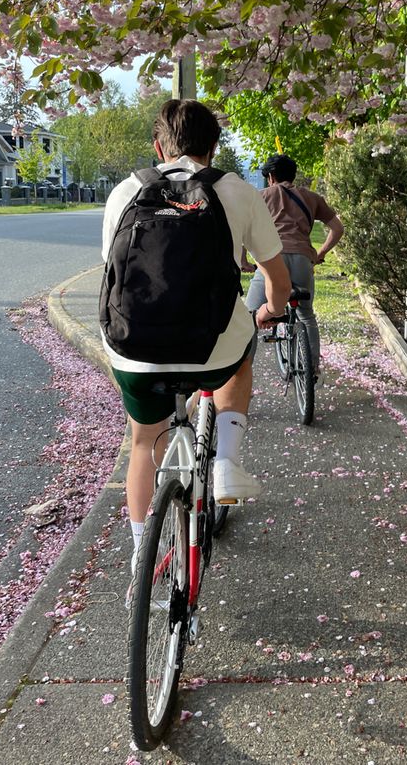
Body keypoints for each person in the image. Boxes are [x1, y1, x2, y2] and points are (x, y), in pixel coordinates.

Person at [101, 99, 291, 569]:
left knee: (145, 441)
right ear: (214, 146)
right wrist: (272, 309)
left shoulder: (125, 191)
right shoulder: (238, 191)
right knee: (241, 348)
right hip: (211, 348)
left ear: (158, 145)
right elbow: (277, 279)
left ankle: (142, 553)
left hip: (135, 347)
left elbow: (112, 275)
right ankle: (225, 461)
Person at [246, 153, 344, 376]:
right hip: (302, 258)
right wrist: (319, 254)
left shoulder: (261, 197)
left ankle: (243, 371)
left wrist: (244, 261)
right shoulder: (312, 197)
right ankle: (312, 370)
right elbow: (338, 228)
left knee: (250, 316)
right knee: (306, 315)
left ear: (271, 176)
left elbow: (245, 229)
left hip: (272, 260)